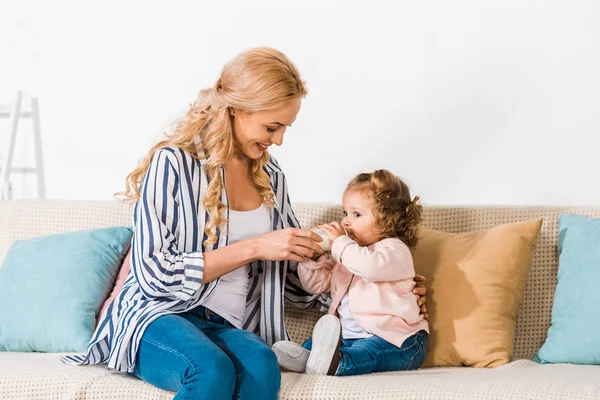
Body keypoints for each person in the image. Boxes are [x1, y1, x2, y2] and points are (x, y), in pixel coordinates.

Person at [61, 48, 428, 399]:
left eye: (285, 128)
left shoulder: (271, 176)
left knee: (261, 364)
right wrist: (255, 247)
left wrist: (381, 289)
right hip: (160, 315)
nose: (279, 140)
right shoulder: (173, 165)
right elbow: (154, 274)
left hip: (227, 323)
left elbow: (294, 285)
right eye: (272, 127)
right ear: (236, 110)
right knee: (210, 370)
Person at [272, 170, 429, 376]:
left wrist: (340, 244)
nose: (346, 221)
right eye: (345, 213)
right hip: (348, 337)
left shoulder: (394, 250)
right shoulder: (348, 253)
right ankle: (309, 358)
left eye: (356, 214)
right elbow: (316, 285)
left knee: (368, 352)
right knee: (315, 343)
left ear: (387, 219)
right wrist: (313, 260)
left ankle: (337, 364)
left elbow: (370, 268)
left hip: (397, 339)